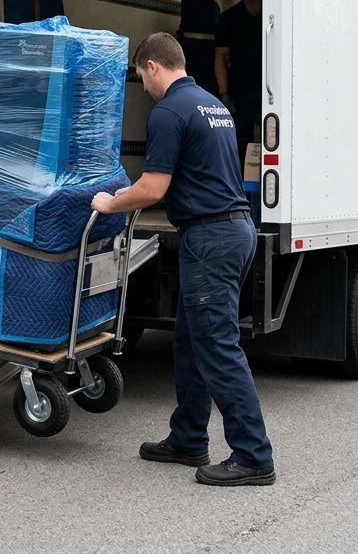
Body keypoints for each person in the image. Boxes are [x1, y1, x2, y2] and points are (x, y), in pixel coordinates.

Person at [92, 32, 275, 487]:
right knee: (190, 342)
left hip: (210, 238)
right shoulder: (215, 106)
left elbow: (153, 188)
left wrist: (110, 203)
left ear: (153, 66)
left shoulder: (168, 111)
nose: (143, 85)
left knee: (216, 345)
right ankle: (188, 438)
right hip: (234, 229)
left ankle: (254, 455)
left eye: (140, 75)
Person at [213, 0, 262, 160]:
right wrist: (224, 94)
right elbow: (220, 56)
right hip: (240, 92)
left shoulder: (273, 16)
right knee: (241, 143)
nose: (259, 2)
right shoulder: (230, 19)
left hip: (269, 91)